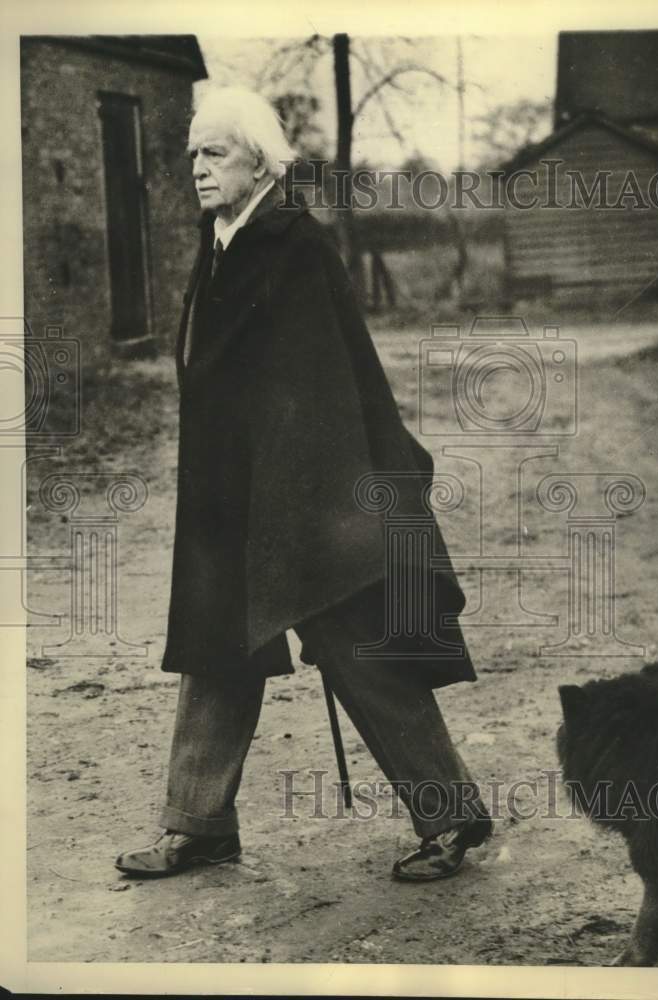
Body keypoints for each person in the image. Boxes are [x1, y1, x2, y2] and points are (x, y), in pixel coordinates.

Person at [115, 85, 492, 883]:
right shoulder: (220, 241)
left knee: (358, 645)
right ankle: (199, 824)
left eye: (215, 153)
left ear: (260, 163)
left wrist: (298, 501)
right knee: (218, 645)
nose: (198, 168)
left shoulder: (296, 245)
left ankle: (452, 816)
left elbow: (324, 383)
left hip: (315, 489)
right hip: (230, 491)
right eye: (192, 154)